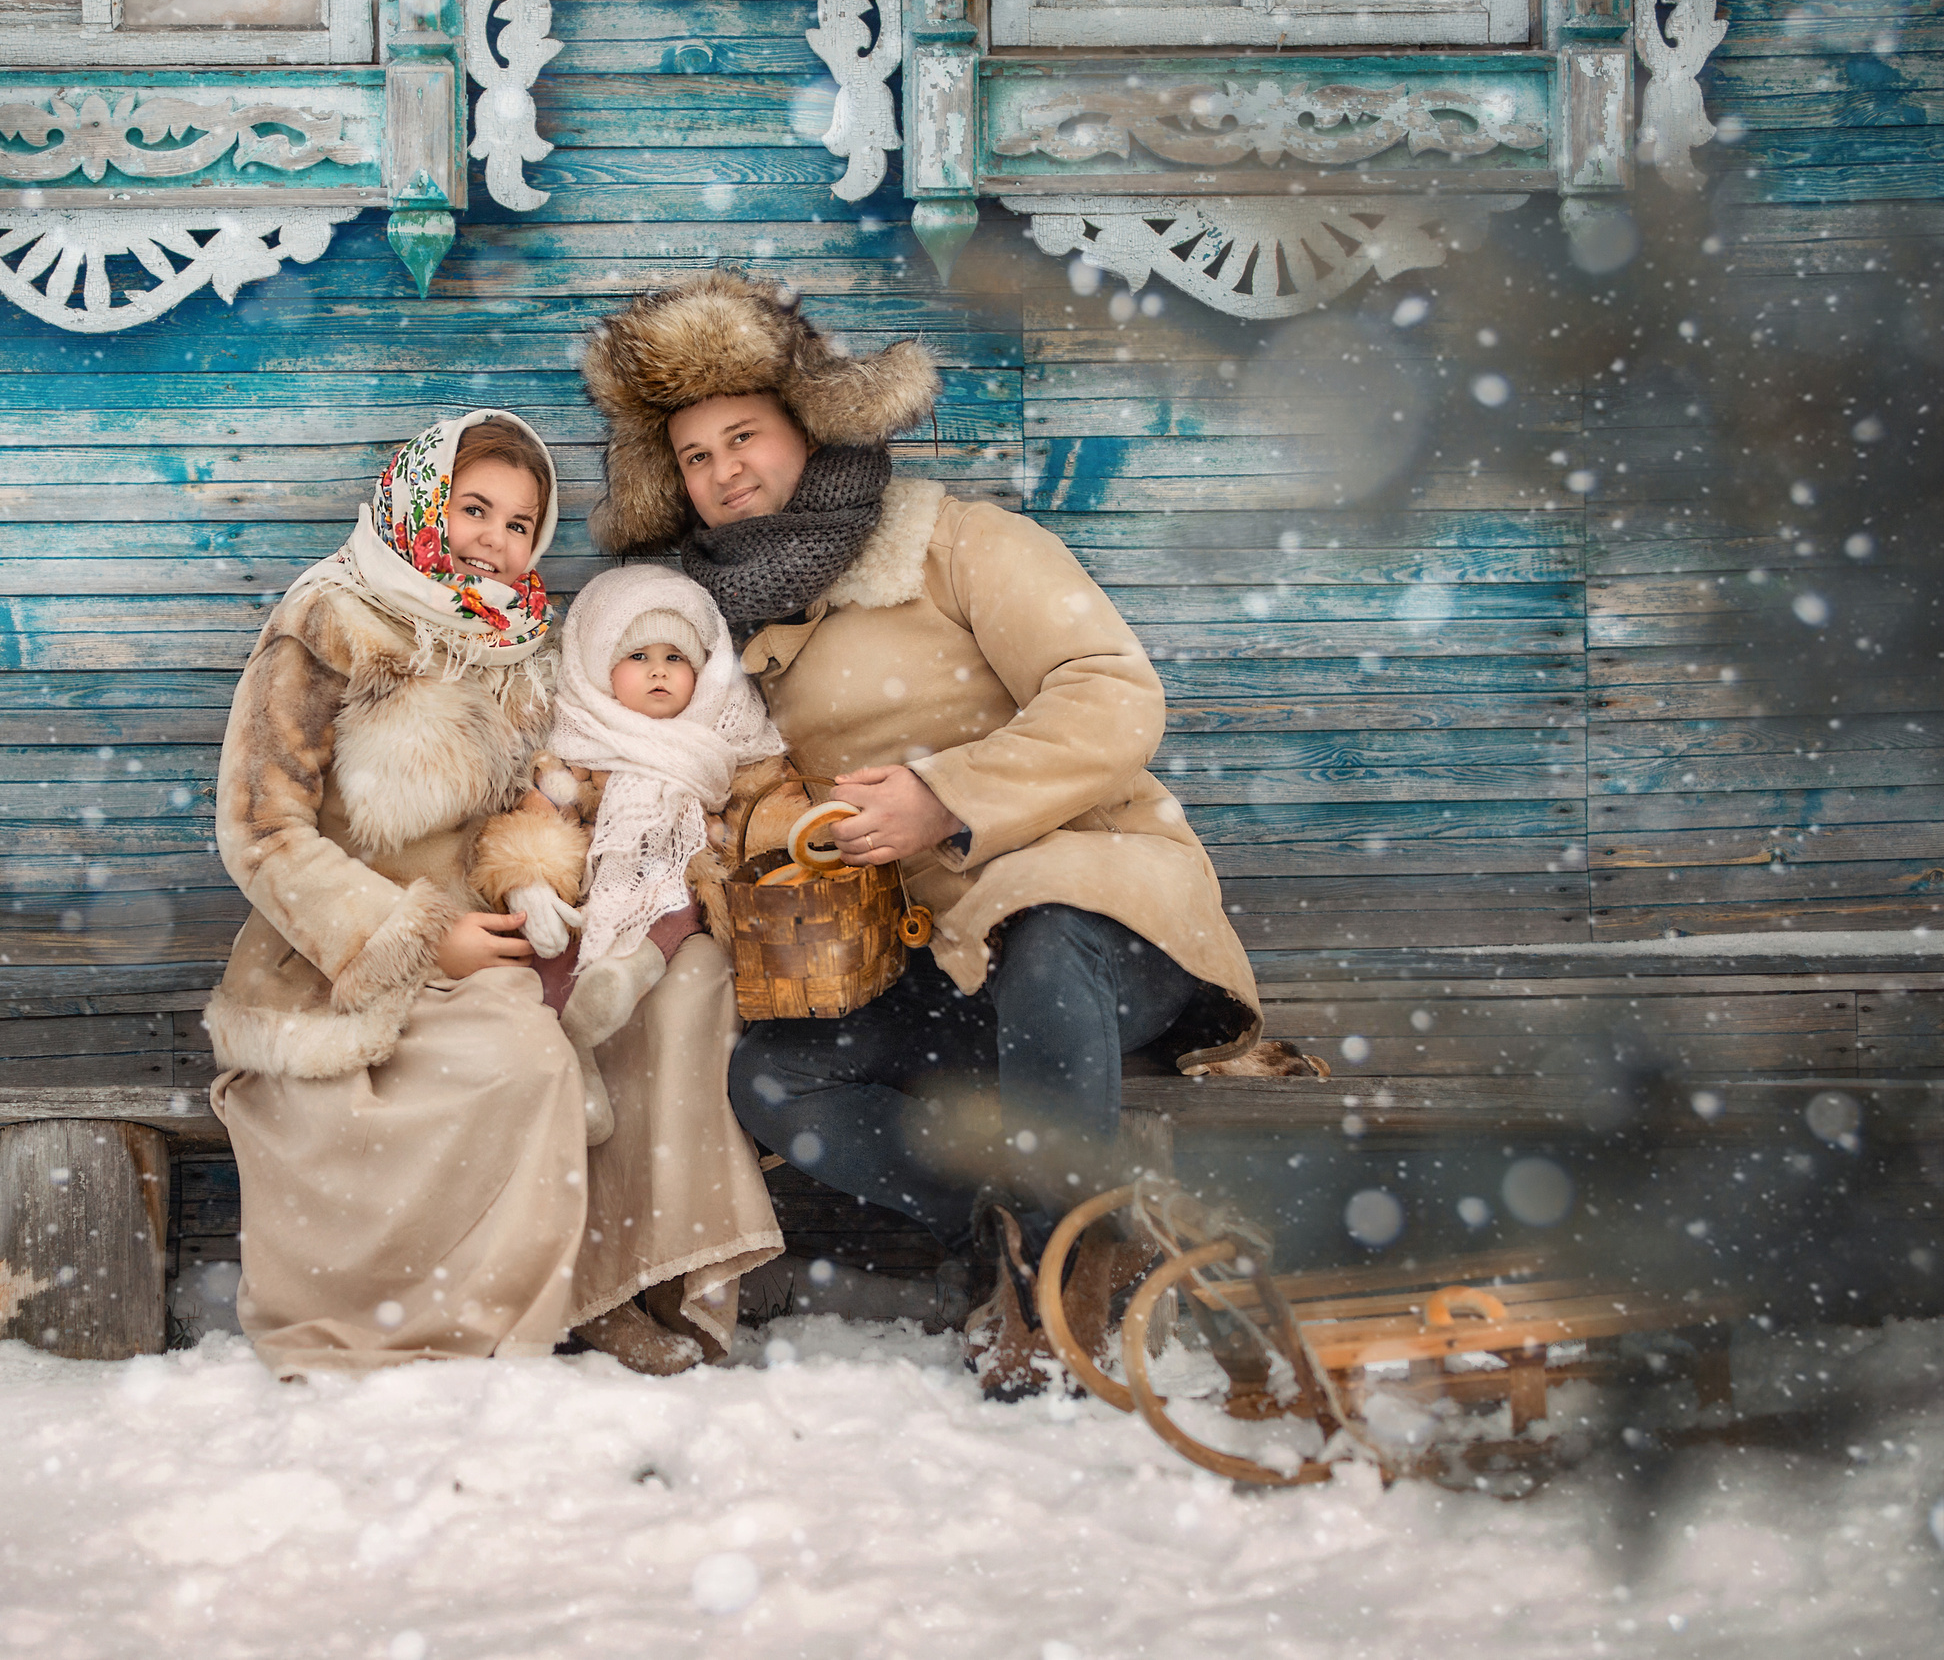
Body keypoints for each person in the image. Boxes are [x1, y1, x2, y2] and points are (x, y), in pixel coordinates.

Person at [578, 273, 1308, 1389]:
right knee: (779, 1081)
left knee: (1043, 944)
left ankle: (1062, 1299)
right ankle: (1044, 1230)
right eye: (694, 457)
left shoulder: (956, 543)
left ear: (808, 433)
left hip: (1102, 917)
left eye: (744, 437)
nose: (724, 470)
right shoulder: (723, 635)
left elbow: (1112, 691)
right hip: (924, 956)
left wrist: (946, 795)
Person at [201, 410, 781, 1378]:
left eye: (519, 525)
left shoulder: (520, 645)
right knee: (525, 1065)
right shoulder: (328, 621)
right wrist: (417, 939)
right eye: (474, 510)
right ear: (421, 500)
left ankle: (610, 1283)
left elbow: (546, 795)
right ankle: (442, 1323)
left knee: (666, 993)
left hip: (504, 929)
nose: (495, 541)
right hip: (342, 954)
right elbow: (258, 832)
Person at [533, 564, 793, 1140]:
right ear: (601, 671)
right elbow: (551, 804)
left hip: (682, 877)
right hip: (591, 878)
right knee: (556, 946)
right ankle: (572, 1058)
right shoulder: (582, 737)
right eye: (637, 657)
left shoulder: (722, 743)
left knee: (677, 903)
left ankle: (626, 976)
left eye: (675, 658)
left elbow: (762, 809)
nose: (658, 671)